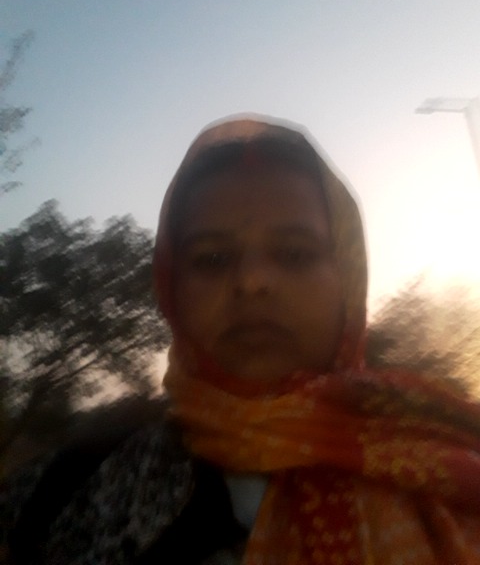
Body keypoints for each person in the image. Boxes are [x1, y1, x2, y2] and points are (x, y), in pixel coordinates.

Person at [2, 115, 480, 564]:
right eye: (212, 259)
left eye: (294, 254)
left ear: (349, 282)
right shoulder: (65, 491)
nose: (252, 282)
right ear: (172, 290)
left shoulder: (450, 457)